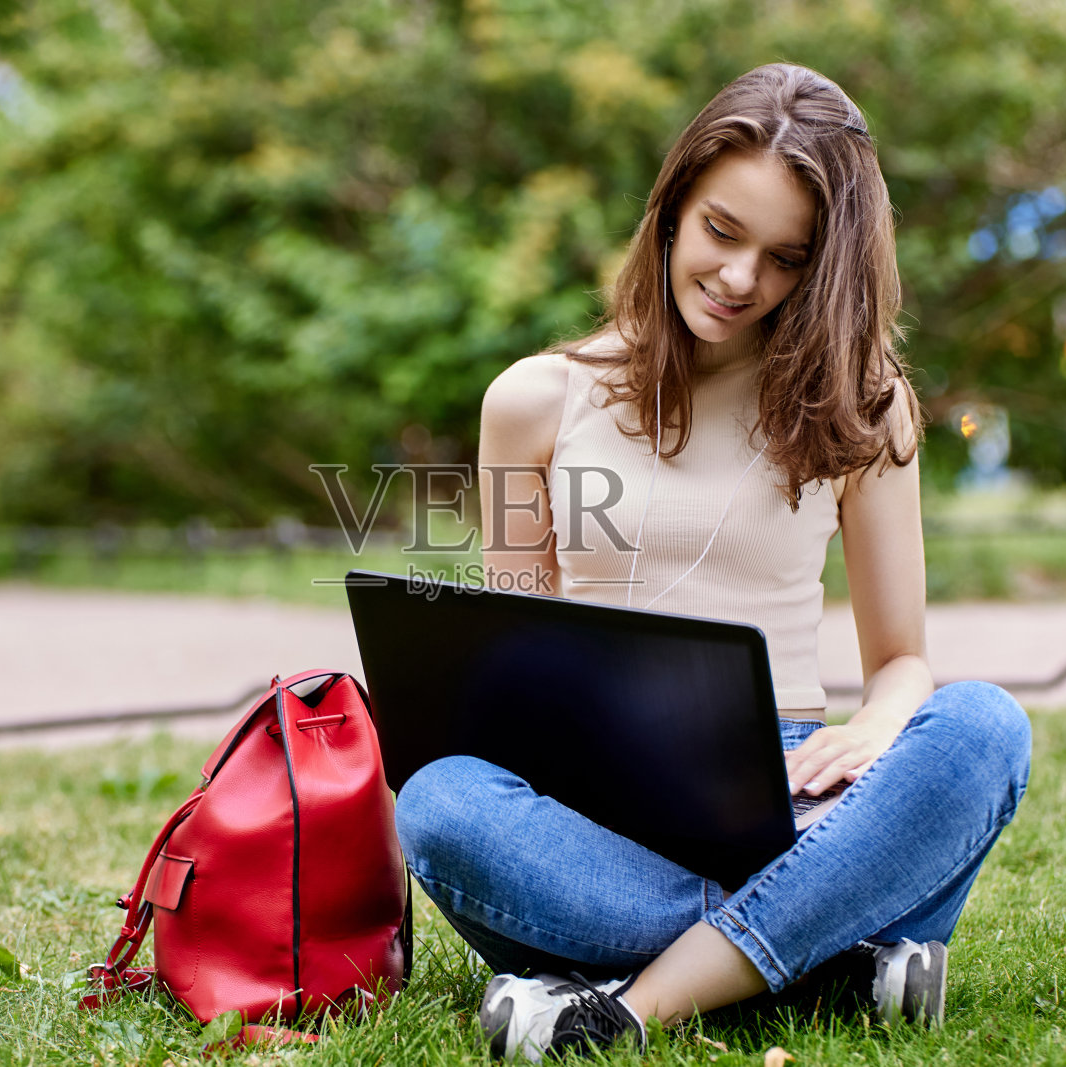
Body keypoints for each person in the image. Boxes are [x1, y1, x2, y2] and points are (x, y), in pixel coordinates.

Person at [391, 63, 1033, 1061]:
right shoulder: (534, 399)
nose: (740, 280)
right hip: (598, 803)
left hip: (795, 792)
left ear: (824, 269)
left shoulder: (865, 406)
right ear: (670, 211)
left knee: (982, 725)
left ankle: (625, 1006)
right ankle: (835, 957)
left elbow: (903, 659)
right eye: (722, 233)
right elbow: (513, 660)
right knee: (439, 795)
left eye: (785, 258)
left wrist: (873, 724)